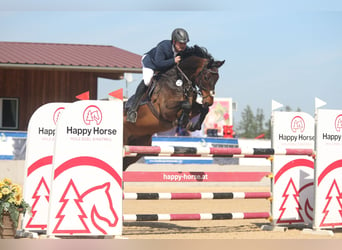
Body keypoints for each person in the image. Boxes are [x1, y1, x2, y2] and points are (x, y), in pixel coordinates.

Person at [126, 28, 190, 123]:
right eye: (181, 43)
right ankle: (133, 109)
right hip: (151, 63)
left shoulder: (185, 50)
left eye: (184, 43)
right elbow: (158, 64)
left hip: (166, 65)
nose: (183, 46)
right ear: (174, 41)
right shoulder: (163, 46)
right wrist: (173, 61)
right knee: (147, 80)